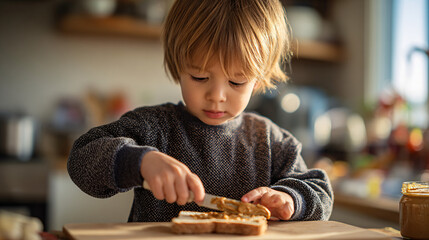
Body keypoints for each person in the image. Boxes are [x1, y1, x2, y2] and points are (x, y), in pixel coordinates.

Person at [67, 0, 333, 222]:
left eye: (236, 82)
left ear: (259, 80)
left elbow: (320, 191)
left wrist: (290, 199)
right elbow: (80, 160)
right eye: (199, 77)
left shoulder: (273, 142)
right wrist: (140, 162)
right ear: (178, 66)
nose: (216, 96)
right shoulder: (154, 127)